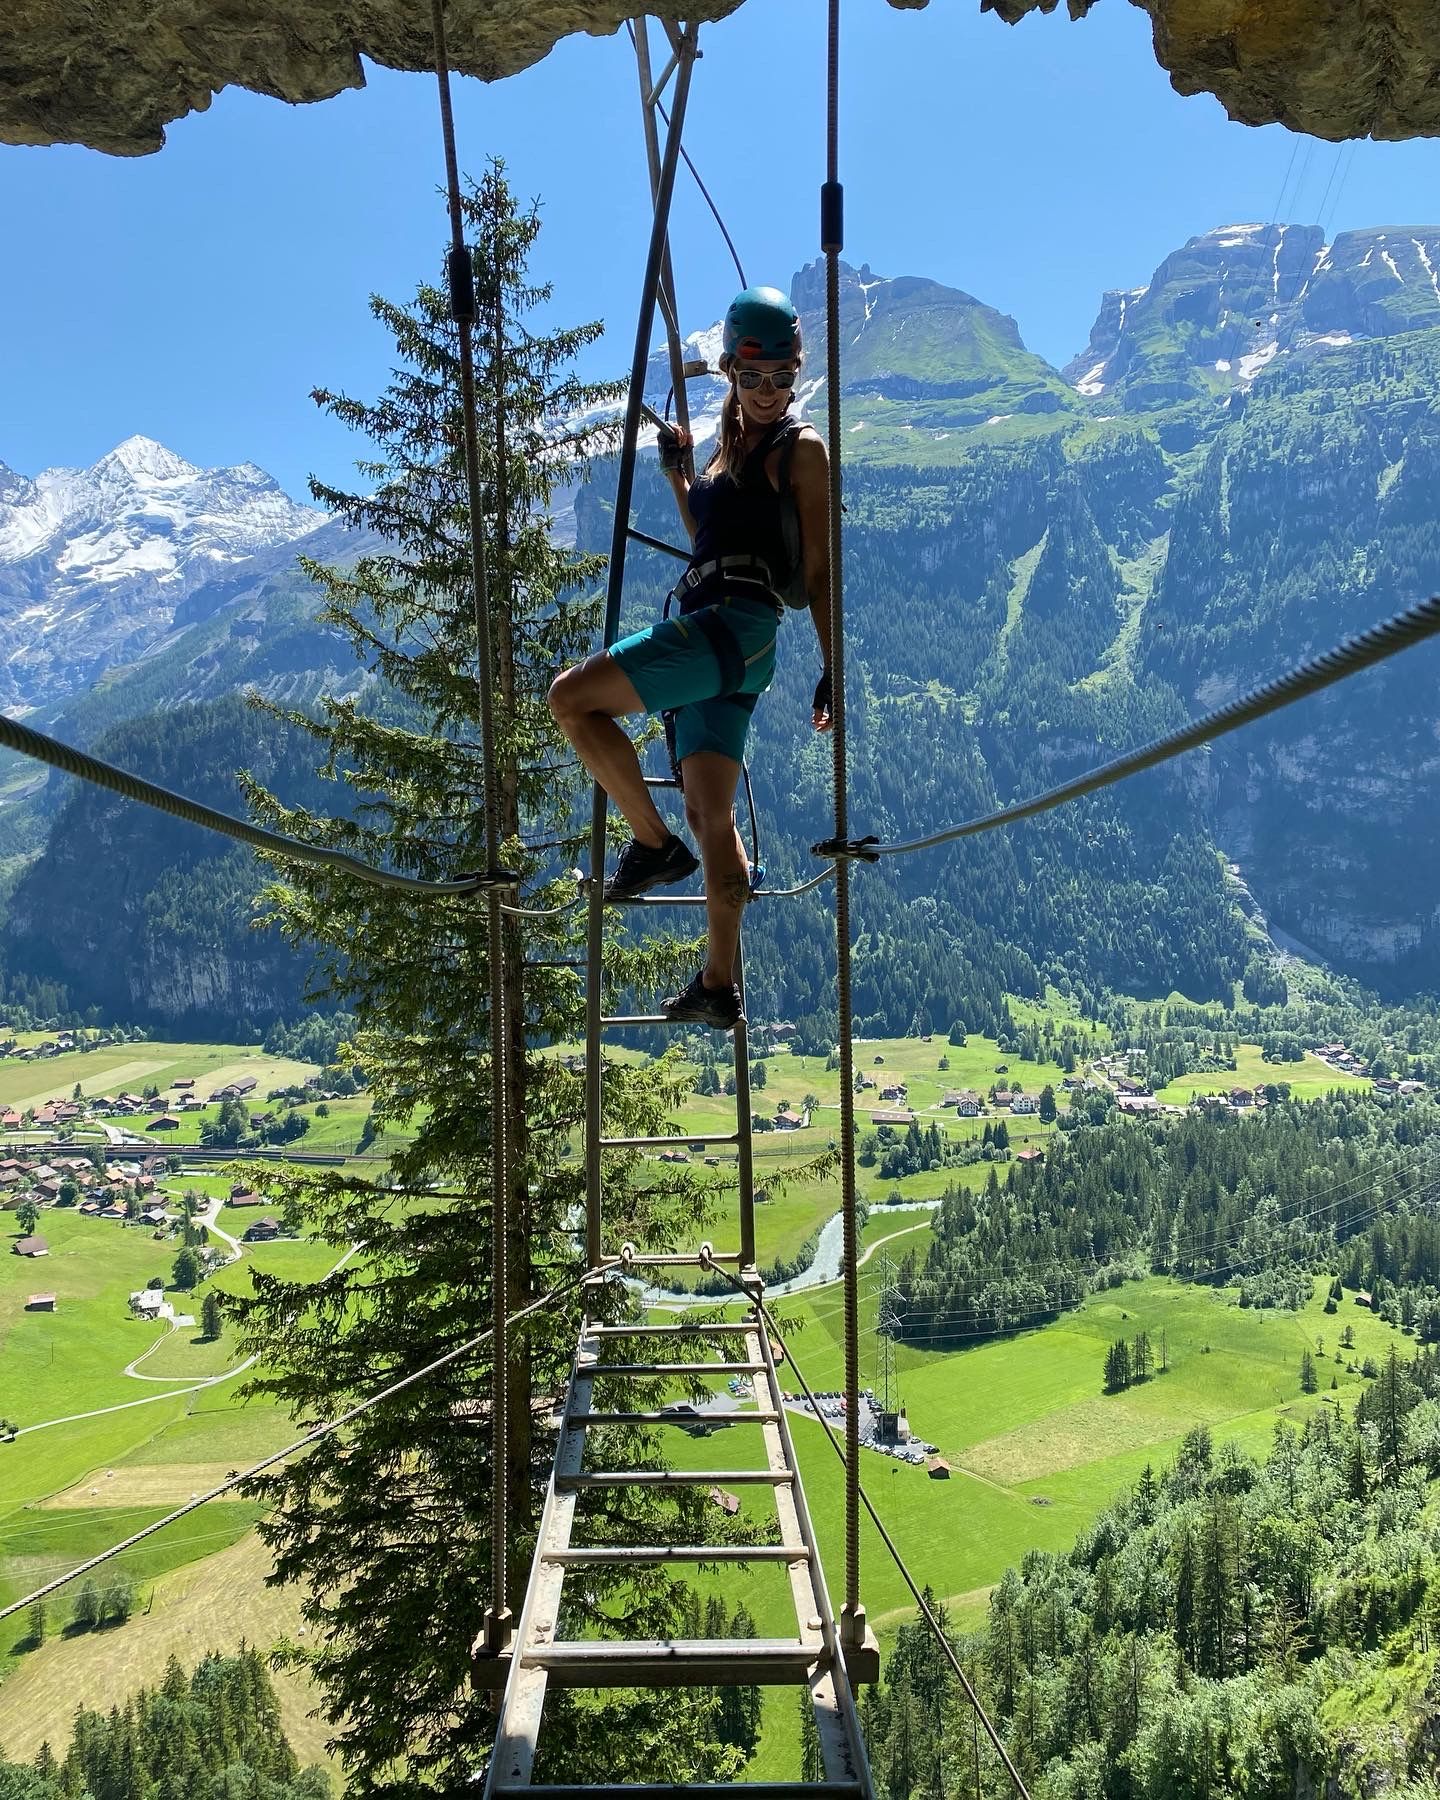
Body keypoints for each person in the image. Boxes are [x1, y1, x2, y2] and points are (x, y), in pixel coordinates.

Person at [549, 285, 833, 1030]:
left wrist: (832, 664)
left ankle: (650, 842)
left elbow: (820, 571)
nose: (770, 393)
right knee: (713, 814)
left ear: (796, 374)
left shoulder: (801, 448)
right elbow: (705, 535)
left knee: (570, 699)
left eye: (782, 378)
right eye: (753, 378)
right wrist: (682, 473)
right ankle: (718, 982)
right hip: (734, 640)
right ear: (732, 377)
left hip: (731, 627)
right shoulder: (730, 451)